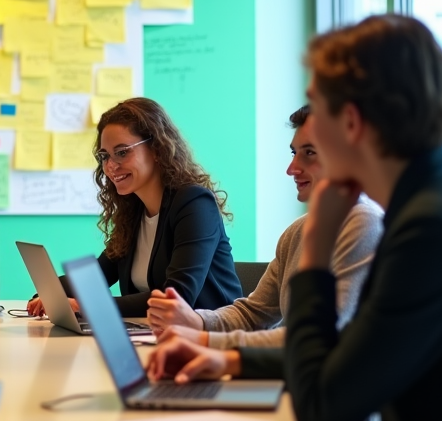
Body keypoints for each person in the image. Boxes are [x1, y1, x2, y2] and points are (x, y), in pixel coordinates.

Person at [147, 15, 442, 421]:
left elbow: (321, 405)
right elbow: (353, 352)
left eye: (316, 112)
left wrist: (315, 254)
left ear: (349, 122)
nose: (297, 155)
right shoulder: (427, 205)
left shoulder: (428, 230)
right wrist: (228, 359)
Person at [146, 105, 382, 348]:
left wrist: (205, 340)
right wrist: (196, 321)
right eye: (294, 153)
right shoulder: (298, 232)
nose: (292, 169)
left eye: (310, 153)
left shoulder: (364, 223)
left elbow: (319, 337)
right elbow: (252, 315)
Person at [27, 97, 242, 318]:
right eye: (104, 156)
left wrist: (86, 306)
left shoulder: (195, 203)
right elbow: (96, 275)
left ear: (157, 149)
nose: (110, 166)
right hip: (154, 333)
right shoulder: (134, 210)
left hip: (212, 340)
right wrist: (47, 295)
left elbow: (177, 297)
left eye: (122, 152)